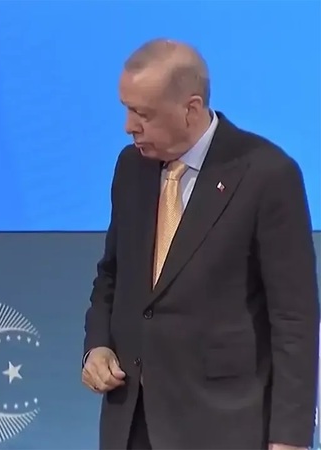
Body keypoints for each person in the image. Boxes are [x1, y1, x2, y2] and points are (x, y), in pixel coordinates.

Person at [81, 38, 319, 450]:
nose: (128, 126)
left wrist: (290, 436)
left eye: (143, 114)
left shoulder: (266, 174)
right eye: (126, 109)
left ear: (190, 109)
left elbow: (294, 317)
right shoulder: (130, 167)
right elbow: (113, 273)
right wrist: (97, 344)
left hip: (223, 424)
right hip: (131, 423)